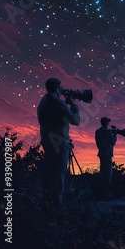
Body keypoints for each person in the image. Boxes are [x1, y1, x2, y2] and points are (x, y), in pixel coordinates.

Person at [37, 78, 80, 208]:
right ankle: (58, 205)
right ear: (57, 89)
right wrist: (74, 106)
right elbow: (75, 121)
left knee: (50, 172)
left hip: (48, 140)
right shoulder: (56, 102)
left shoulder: (43, 101)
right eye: (60, 88)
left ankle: (46, 202)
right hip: (59, 141)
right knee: (59, 173)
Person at [95, 117, 117, 199]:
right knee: (108, 176)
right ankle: (107, 194)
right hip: (107, 156)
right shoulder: (107, 132)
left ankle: (102, 192)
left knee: (103, 174)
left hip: (102, 155)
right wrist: (114, 134)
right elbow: (113, 142)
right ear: (106, 123)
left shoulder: (98, 131)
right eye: (108, 122)